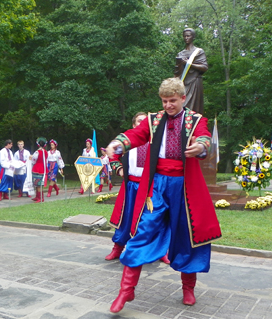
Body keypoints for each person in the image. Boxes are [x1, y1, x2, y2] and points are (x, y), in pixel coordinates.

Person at [105, 78, 221, 313]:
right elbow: (135, 135)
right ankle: (126, 290)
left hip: (184, 186)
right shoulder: (153, 120)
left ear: (183, 98)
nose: (168, 105)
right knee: (142, 230)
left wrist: (200, 147)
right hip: (156, 186)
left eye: (172, 101)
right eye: (165, 101)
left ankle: (188, 288)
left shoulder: (195, 119)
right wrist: (116, 144)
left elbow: (204, 137)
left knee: (187, 236)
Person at [105, 113, 169, 264]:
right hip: (131, 186)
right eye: (139, 121)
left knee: (154, 219)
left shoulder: (156, 142)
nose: (142, 124)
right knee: (125, 217)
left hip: (150, 188)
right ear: (134, 125)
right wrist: (119, 169)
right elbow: (113, 155)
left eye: (145, 122)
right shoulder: (127, 141)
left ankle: (161, 252)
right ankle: (117, 247)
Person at [174, 28, 208, 114]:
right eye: (184, 36)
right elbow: (177, 72)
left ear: (193, 37)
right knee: (182, 107)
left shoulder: (199, 52)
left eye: (188, 36)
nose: (186, 38)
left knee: (194, 109)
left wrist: (188, 64)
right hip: (183, 84)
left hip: (195, 83)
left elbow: (204, 67)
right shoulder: (180, 54)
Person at [30, 137, 48, 203]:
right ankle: (38, 196)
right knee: (39, 184)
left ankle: (40, 197)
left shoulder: (37, 152)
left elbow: (34, 160)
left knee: (37, 184)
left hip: (37, 168)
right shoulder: (46, 152)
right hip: (43, 168)